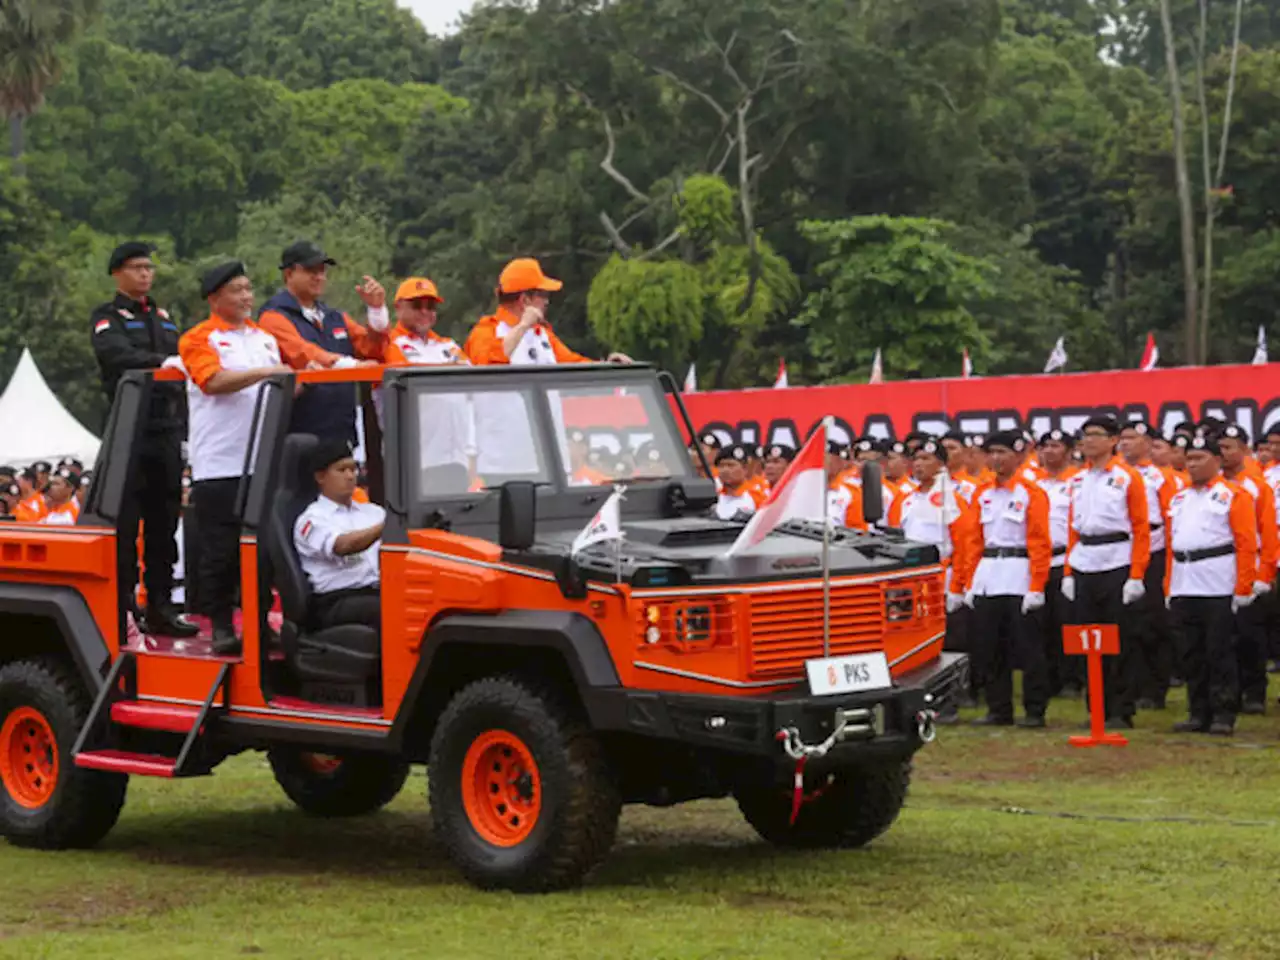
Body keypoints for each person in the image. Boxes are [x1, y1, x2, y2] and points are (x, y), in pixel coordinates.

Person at [179, 262, 292, 654]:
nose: (246, 297)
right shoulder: (198, 337)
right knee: (220, 551)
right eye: (236, 290)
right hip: (220, 462)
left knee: (264, 550)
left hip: (261, 459)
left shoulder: (264, 338)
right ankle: (222, 626)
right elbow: (211, 382)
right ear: (214, 298)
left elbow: (282, 384)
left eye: (248, 288)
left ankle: (259, 624)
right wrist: (266, 372)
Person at [90, 242, 195, 635]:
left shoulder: (164, 317)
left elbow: (183, 355)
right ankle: (121, 606)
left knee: (163, 521)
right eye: (136, 268)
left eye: (149, 268)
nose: (145, 274)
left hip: (164, 429)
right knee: (124, 523)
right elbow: (115, 355)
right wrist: (160, 363)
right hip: (128, 429)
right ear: (117, 273)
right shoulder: (107, 316)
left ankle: (161, 607)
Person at [959, 431, 1053, 727]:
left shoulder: (1030, 492)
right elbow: (973, 541)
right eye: (992, 453)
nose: (996, 459)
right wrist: (970, 581)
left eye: (1002, 452)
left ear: (1019, 455)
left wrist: (1037, 585)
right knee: (989, 646)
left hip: (1019, 570)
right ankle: (998, 708)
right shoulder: (982, 493)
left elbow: (1039, 542)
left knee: (1028, 646)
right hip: (989, 571)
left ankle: (1035, 710)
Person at [1166, 435, 1258, 735]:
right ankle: (1198, 711)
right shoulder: (1179, 498)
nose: (1192, 465)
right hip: (1184, 580)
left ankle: (1223, 712)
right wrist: (1169, 585)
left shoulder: (1233, 495)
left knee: (1219, 650)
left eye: (1200, 458)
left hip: (1217, 582)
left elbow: (1245, 543)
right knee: (1190, 652)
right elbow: (1172, 544)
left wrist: (1244, 586)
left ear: (1217, 461)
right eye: (1189, 459)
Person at [1062, 415, 1150, 728]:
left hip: (1117, 561)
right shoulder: (1077, 479)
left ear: (1113, 441)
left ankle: (1120, 708)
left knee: (1118, 639)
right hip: (1085, 560)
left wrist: (1136, 574)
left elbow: (1141, 528)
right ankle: (1095, 707)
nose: (1088, 441)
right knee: (1086, 638)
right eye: (1085, 435)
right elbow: (1074, 526)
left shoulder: (1127, 477)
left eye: (1096, 435)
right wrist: (1069, 572)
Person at [256, 241, 389, 445]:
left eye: (322, 271)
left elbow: (371, 349)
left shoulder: (334, 317)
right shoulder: (273, 316)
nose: (319, 277)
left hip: (340, 431)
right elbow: (302, 352)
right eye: (311, 270)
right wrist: (350, 366)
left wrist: (377, 311)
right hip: (299, 435)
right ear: (289, 274)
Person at [384, 277, 477, 492]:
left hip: (456, 456)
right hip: (416, 457)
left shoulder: (447, 344)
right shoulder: (391, 343)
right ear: (398, 307)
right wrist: (450, 370)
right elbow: (408, 377)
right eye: (417, 305)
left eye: (431, 306)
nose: (425, 312)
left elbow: (470, 376)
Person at [464, 258, 632, 367]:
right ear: (525, 300)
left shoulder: (542, 334)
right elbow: (488, 366)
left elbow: (573, 364)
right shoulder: (485, 332)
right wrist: (523, 325)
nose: (547, 301)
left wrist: (607, 365)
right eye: (542, 295)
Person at [1216, 424, 1278, 714]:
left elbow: (1267, 533)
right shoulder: (1213, 484)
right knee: (1224, 634)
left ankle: (1254, 692)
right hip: (1218, 568)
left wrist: (1265, 573)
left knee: (1250, 633)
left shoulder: (1256, 485)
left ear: (1245, 450)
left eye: (1230, 447)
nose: (1224, 453)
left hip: (1249, 567)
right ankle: (1229, 691)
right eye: (1221, 448)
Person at [294, 440, 384, 633]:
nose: (350, 476)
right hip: (336, 599)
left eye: (353, 469)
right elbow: (342, 545)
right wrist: (387, 527)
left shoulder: (373, 513)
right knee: (392, 610)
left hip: (379, 590)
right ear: (320, 476)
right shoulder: (311, 520)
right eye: (342, 470)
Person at [1118, 420, 1176, 711]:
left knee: (1152, 624)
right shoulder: (1114, 475)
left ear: (1148, 444)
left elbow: (1171, 520)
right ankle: (1130, 685)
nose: (1126, 443)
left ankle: (1155, 688)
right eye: (1123, 438)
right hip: (1120, 553)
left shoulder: (1159, 477)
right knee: (1126, 624)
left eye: (1133, 438)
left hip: (1153, 552)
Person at [1035, 429, 1080, 697]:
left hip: (1067, 558)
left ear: (1068, 450)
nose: (1049, 451)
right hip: (1039, 560)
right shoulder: (1034, 483)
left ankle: (1072, 678)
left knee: (1068, 620)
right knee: (1042, 623)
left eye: (1055, 446)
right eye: (1045, 446)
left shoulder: (1078, 480)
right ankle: (1049, 677)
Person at [826, 441, 867, 530]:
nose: (822, 463)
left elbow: (858, 530)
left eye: (827, 458)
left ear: (839, 462)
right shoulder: (803, 490)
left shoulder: (851, 492)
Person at [714, 445, 760, 519]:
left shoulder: (757, 496)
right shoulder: (714, 497)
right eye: (721, 465)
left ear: (745, 468)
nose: (725, 470)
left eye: (730, 465)